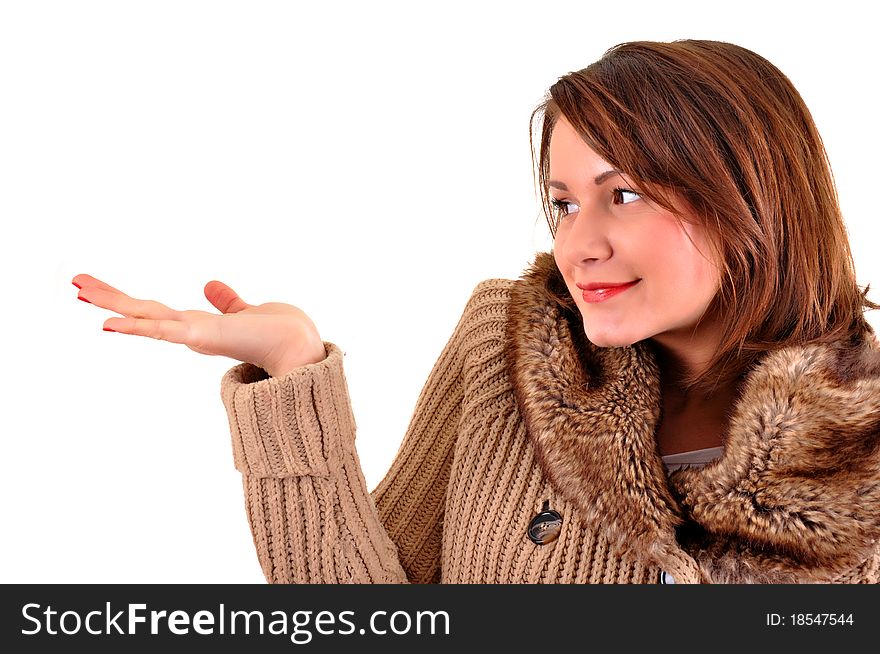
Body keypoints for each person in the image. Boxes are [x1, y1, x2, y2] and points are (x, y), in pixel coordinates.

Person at [72, 39, 880, 584]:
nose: (580, 244)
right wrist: (292, 366)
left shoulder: (862, 435)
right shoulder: (512, 345)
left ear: (751, 198)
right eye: (564, 204)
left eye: (622, 195)